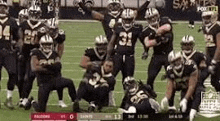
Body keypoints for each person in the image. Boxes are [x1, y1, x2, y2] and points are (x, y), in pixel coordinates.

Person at [25, 34, 76, 112]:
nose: (47, 46)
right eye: (45, 44)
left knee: (69, 82)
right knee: (41, 110)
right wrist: (51, 68)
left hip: (55, 80)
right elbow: (35, 68)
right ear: (41, 44)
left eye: (49, 44)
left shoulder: (54, 53)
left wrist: (46, 66)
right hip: (44, 83)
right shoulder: (36, 53)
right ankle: (32, 101)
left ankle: (75, 103)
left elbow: (59, 66)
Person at [78, 0, 151, 41]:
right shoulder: (105, 16)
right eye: (112, 6)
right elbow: (90, 12)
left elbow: (138, 11)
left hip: (124, 44)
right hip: (111, 42)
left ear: (120, 6)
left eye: (115, 5)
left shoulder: (125, 14)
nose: (114, 7)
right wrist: (80, 3)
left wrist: (147, 1)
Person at [106, 8, 145, 84]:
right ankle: (108, 95)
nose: (127, 21)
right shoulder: (118, 26)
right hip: (117, 56)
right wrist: (108, 56)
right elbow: (111, 42)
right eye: (125, 19)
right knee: (110, 78)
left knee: (128, 81)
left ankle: (128, 96)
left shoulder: (137, 28)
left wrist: (146, 50)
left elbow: (143, 40)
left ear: (133, 19)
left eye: (129, 19)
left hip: (129, 57)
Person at [18, 5, 46, 108]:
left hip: (35, 55)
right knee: (20, 77)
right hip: (24, 53)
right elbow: (20, 39)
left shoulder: (43, 26)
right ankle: (22, 98)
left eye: (36, 14)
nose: (34, 16)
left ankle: (25, 98)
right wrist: (20, 51)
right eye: (32, 13)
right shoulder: (24, 24)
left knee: (29, 77)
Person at [141, 8, 173, 90]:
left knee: (173, 77)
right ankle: (150, 96)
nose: (153, 19)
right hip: (157, 55)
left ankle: (171, 98)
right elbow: (147, 44)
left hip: (169, 55)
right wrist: (159, 39)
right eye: (150, 18)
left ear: (158, 16)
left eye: (154, 17)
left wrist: (154, 34)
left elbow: (168, 27)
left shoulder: (164, 20)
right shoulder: (146, 30)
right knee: (150, 77)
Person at [180, 35, 209, 121]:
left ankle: (194, 110)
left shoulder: (199, 55)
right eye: (185, 44)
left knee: (200, 91)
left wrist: (200, 78)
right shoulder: (178, 56)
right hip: (184, 83)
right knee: (183, 111)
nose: (187, 46)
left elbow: (206, 69)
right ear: (182, 45)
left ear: (192, 45)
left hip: (197, 81)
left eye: (189, 44)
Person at [0, 0, 19, 109]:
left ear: (7, 8)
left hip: (8, 51)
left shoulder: (12, 21)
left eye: (3, 7)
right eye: (0, 7)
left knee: (13, 73)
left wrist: (15, 45)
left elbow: (17, 37)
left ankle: (9, 98)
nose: (1, 9)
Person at [201, 10, 220, 91]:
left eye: (208, 18)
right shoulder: (205, 28)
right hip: (210, 57)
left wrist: (214, 61)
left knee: (214, 81)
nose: (206, 20)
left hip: (217, 58)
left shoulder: (217, 27)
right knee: (201, 78)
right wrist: (206, 57)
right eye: (204, 18)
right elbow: (208, 45)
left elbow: (219, 47)